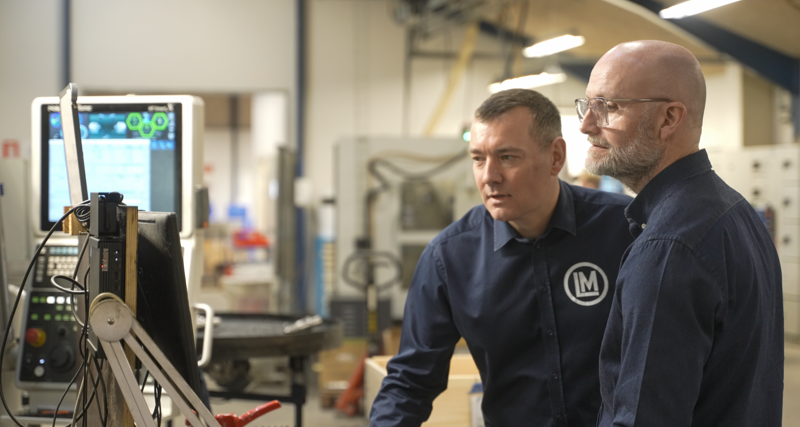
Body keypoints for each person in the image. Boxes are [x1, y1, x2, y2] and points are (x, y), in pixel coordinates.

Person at [369, 88, 635, 426]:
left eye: (507, 157)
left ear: (555, 157)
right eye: (478, 159)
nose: (489, 176)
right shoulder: (449, 258)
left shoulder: (627, 230)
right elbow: (411, 380)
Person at [578, 40, 784, 426]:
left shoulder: (668, 248)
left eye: (609, 107)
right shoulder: (734, 212)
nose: (587, 125)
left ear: (669, 118)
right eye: (587, 105)